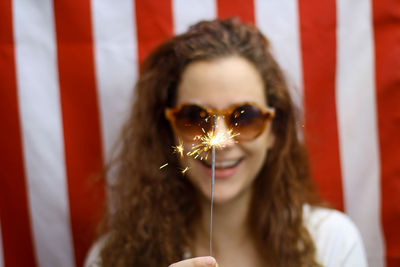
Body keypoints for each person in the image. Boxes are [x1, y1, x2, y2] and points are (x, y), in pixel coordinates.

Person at [85, 18, 367, 267]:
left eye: (245, 118)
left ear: (274, 132)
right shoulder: (112, 257)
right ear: (168, 128)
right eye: (195, 117)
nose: (219, 142)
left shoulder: (332, 244)